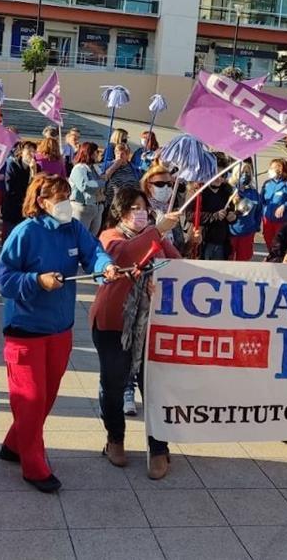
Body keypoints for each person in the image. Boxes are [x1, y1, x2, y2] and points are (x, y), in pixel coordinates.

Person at [0, 174, 118, 492]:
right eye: (59, 197)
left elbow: (94, 253)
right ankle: (34, 467)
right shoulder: (25, 233)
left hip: (60, 329)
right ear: (42, 201)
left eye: (68, 195)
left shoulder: (73, 228)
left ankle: (13, 444)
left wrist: (105, 267)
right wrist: (36, 281)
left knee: (45, 398)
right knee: (31, 399)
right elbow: (2, 279)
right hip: (25, 331)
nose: (66, 203)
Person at [89, 188, 180, 478]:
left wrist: (163, 278)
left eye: (143, 207)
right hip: (113, 325)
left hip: (153, 326)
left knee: (154, 387)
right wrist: (158, 230)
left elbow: (180, 266)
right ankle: (115, 439)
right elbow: (125, 254)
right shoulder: (109, 237)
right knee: (114, 385)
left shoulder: (157, 237)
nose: (139, 212)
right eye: (132, 208)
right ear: (119, 212)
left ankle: (159, 448)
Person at [195, 155, 236, 260]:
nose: (219, 179)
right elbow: (191, 215)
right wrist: (214, 216)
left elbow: (230, 212)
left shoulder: (226, 191)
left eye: (222, 175)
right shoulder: (198, 191)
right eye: (215, 175)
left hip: (221, 241)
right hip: (203, 241)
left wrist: (233, 216)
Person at [141, 165, 185, 251]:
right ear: (148, 186)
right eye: (160, 184)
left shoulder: (170, 212)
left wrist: (192, 241)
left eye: (169, 184)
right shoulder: (142, 212)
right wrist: (160, 229)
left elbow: (179, 248)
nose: (166, 187)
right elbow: (138, 245)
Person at [0, 141, 38, 241]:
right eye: (28, 150)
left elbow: (36, 188)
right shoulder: (12, 164)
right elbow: (10, 187)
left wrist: (33, 172)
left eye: (33, 151)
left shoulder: (36, 167)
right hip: (13, 207)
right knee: (10, 237)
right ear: (21, 152)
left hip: (27, 209)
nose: (31, 153)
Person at [260, 158, 287, 250]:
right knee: (269, 242)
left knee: (280, 245)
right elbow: (261, 200)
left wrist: (284, 206)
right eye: (270, 167)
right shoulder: (267, 184)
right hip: (268, 220)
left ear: (280, 170)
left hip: (282, 221)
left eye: (273, 168)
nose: (270, 170)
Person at [228, 160, 262, 261]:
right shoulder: (229, 189)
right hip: (231, 232)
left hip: (248, 232)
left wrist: (256, 226)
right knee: (228, 259)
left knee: (244, 259)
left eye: (247, 172)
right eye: (242, 172)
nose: (245, 175)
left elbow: (259, 211)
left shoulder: (253, 192)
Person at [68, 141, 104, 236]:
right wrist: (101, 183)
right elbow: (85, 186)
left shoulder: (95, 168)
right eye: (97, 152)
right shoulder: (79, 168)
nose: (98, 154)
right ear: (90, 153)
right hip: (82, 207)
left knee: (91, 239)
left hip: (95, 207)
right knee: (78, 237)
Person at [101, 142, 141, 208]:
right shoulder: (107, 165)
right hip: (112, 203)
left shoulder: (134, 168)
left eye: (122, 154)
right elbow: (103, 178)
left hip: (129, 203)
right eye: (117, 154)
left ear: (127, 155)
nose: (119, 156)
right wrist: (115, 166)